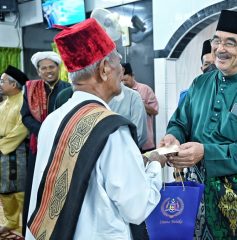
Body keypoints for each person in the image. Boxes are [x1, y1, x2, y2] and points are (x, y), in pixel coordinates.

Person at [26, 18, 165, 240]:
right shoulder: (111, 129)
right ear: (103, 70)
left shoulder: (52, 120)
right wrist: (156, 165)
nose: (122, 71)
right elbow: (137, 207)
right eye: (118, 63)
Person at [161, 10, 237, 239]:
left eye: (230, 43)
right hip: (196, 188)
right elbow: (179, 122)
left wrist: (206, 152)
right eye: (217, 40)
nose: (220, 48)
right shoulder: (200, 83)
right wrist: (172, 137)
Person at [20, 50, 70, 235]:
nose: (48, 71)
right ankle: (31, 229)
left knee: (59, 185)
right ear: (38, 71)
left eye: (51, 67)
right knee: (35, 186)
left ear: (58, 68)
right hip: (37, 147)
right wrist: (43, 132)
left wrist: (55, 134)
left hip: (61, 146)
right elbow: (25, 116)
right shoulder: (30, 89)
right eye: (44, 68)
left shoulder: (68, 89)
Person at [0, 66, 28, 234]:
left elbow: (22, 129)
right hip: (2, 153)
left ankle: (26, 224)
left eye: (2, 81)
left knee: (19, 189)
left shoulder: (24, 102)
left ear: (14, 84)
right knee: (4, 189)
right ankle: (11, 222)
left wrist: (2, 146)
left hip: (17, 154)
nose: (0, 84)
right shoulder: (3, 104)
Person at [122, 63, 158, 152]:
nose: (124, 83)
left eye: (126, 80)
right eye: (121, 80)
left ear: (132, 75)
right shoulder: (119, 92)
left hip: (146, 143)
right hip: (127, 143)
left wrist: (139, 103)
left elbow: (155, 111)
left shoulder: (145, 89)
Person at [109, 81, 148, 149]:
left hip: (126, 152)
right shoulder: (93, 96)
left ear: (121, 72)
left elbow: (139, 134)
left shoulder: (133, 96)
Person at [178, 39, 216, 106]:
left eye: (215, 63)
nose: (212, 67)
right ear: (202, 69)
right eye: (207, 64)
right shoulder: (188, 96)